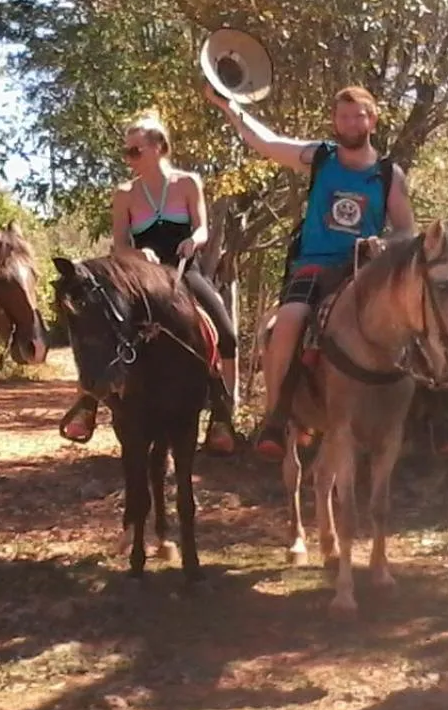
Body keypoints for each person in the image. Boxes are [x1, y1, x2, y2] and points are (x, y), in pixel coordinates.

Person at [202, 81, 416, 459]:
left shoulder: (388, 174)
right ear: (335, 121)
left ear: (372, 120)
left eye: (359, 116)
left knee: (417, 315)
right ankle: (276, 416)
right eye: (344, 116)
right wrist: (229, 107)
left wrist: (386, 244)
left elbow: (406, 229)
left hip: (363, 270)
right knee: (288, 320)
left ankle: (435, 414)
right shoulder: (320, 156)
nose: (351, 123)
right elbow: (266, 142)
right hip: (314, 264)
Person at [57, 115, 240, 455]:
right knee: (100, 322)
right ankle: (88, 401)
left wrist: (193, 242)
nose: (129, 158)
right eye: (126, 152)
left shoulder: (188, 183)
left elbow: (201, 227)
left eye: (135, 150)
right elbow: (119, 243)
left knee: (224, 333)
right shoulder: (125, 193)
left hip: (183, 271)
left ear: (158, 147)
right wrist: (137, 253)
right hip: (139, 278)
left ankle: (222, 414)